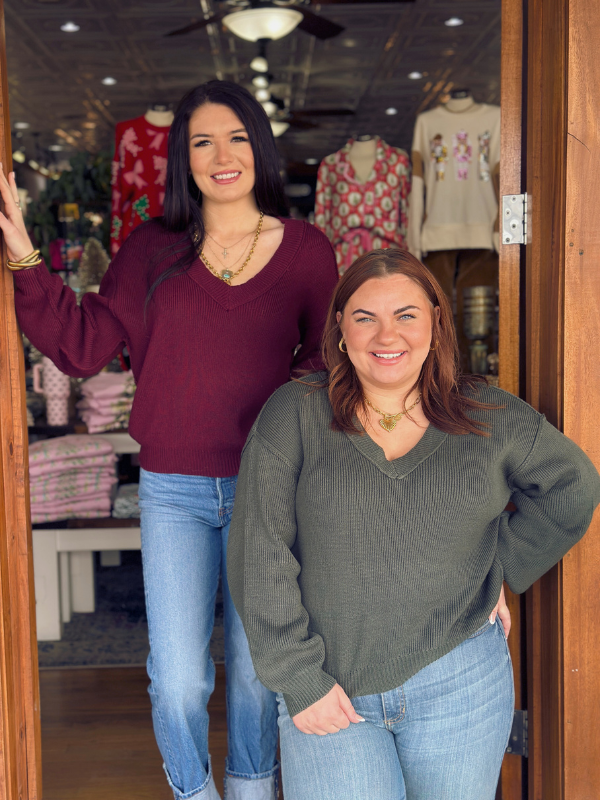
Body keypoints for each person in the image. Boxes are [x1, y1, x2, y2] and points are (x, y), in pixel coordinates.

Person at [0, 80, 339, 800]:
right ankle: (193, 792)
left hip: (268, 494)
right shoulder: (150, 249)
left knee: (257, 672)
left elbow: (324, 375)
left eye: (238, 137)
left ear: (261, 148)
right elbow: (85, 344)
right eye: (202, 142)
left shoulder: (309, 252)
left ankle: (251, 789)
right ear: (182, 161)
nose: (223, 156)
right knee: (180, 677)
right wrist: (27, 258)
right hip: (174, 492)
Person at [227, 249, 600, 800]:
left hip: (460, 682)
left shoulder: (487, 415)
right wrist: (299, 679)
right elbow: (259, 551)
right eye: (365, 317)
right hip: (331, 688)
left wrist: (502, 566)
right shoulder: (293, 415)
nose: (387, 335)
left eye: (406, 315)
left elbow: (573, 486)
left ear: (435, 321)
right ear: (339, 326)